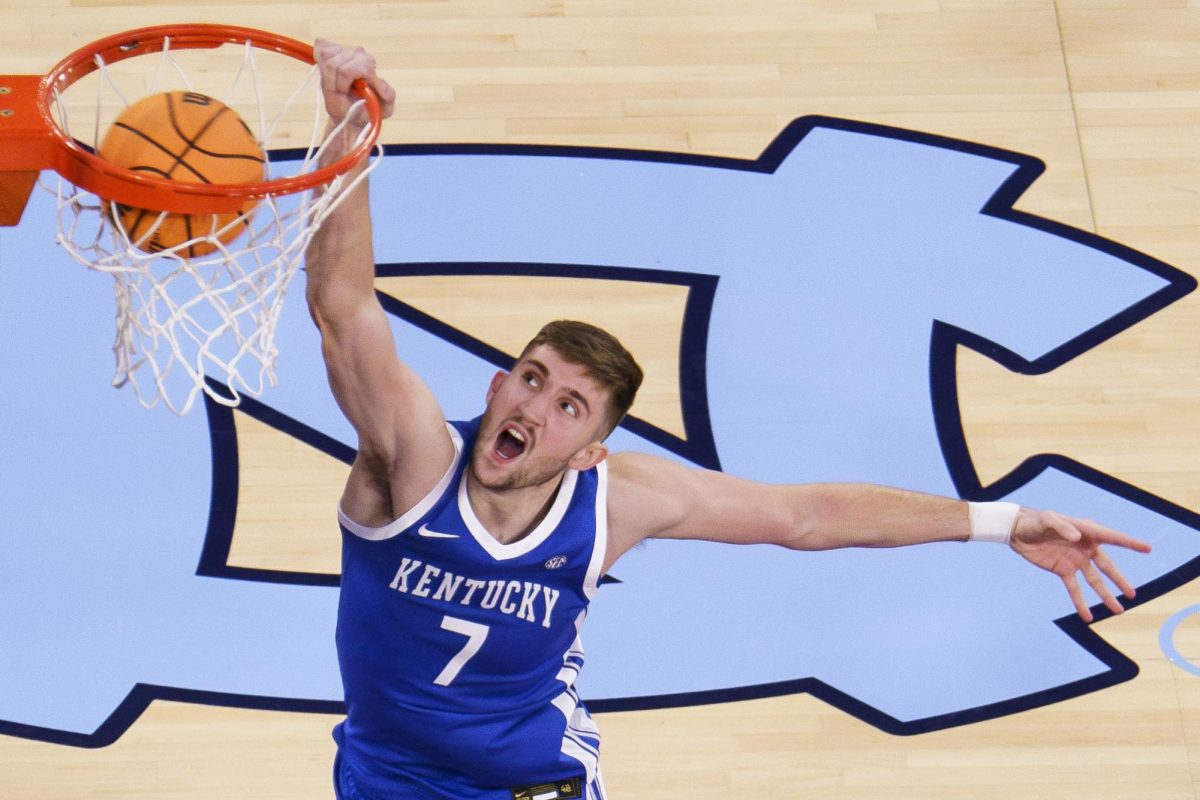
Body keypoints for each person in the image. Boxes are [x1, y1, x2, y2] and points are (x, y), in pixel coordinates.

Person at [305, 40, 1152, 800]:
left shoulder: (618, 501)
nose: (534, 405)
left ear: (594, 449)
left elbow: (805, 517)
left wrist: (1002, 521)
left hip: (535, 789)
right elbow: (344, 305)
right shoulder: (413, 462)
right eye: (529, 379)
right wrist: (349, 133)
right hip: (385, 782)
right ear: (496, 386)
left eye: (568, 404)